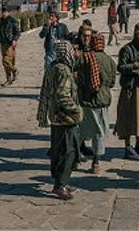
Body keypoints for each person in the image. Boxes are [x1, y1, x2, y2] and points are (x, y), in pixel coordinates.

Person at [44, 41, 83, 200]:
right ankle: (60, 185)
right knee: (69, 152)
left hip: (55, 117)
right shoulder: (64, 71)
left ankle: (62, 183)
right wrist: (77, 110)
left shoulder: (53, 67)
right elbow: (62, 96)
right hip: (65, 118)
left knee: (58, 151)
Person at [76, 31, 116, 174]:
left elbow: (77, 78)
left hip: (86, 102)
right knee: (99, 132)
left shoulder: (84, 58)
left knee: (81, 131)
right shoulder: (110, 61)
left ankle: (75, 159)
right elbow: (112, 83)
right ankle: (96, 162)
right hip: (102, 102)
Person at [115, 22, 139, 160]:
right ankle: (127, 146)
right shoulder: (127, 49)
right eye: (137, 34)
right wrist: (136, 65)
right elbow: (120, 67)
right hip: (130, 88)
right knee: (128, 117)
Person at [0, 7, 20, 85]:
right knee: (7, 62)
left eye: (5, 12)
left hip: (10, 44)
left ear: (9, 12)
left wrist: (14, 40)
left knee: (6, 60)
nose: (4, 13)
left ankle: (14, 70)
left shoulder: (13, 21)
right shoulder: (1, 21)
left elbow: (17, 32)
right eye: (3, 12)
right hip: (2, 43)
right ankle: (9, 79)